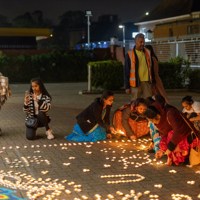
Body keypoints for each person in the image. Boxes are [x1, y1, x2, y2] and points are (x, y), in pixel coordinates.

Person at [145, 96, 200, 166]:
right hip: (176, 138)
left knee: (171, 134)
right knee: (167, 137)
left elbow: (178, 131)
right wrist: (162, 150)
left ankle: (184, 156)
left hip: (186, 136)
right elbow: (163, 134)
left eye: (153, 120)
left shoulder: (170, 113)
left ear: (158, 115)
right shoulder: (159, 119)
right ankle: (177, 156)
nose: (155, 123)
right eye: (151, 121)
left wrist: (170, 148)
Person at [124, 33, 152, 99]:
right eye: (141, 42)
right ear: (135, 42)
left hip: (147, 83)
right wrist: (127, 87)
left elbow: (151, 68)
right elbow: (126, 71)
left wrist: (153, 83)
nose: (142, 44)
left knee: (149, 103)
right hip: (135, 84)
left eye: (143, 42)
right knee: (135, 104)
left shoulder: (148, 52)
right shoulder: (129, 54)